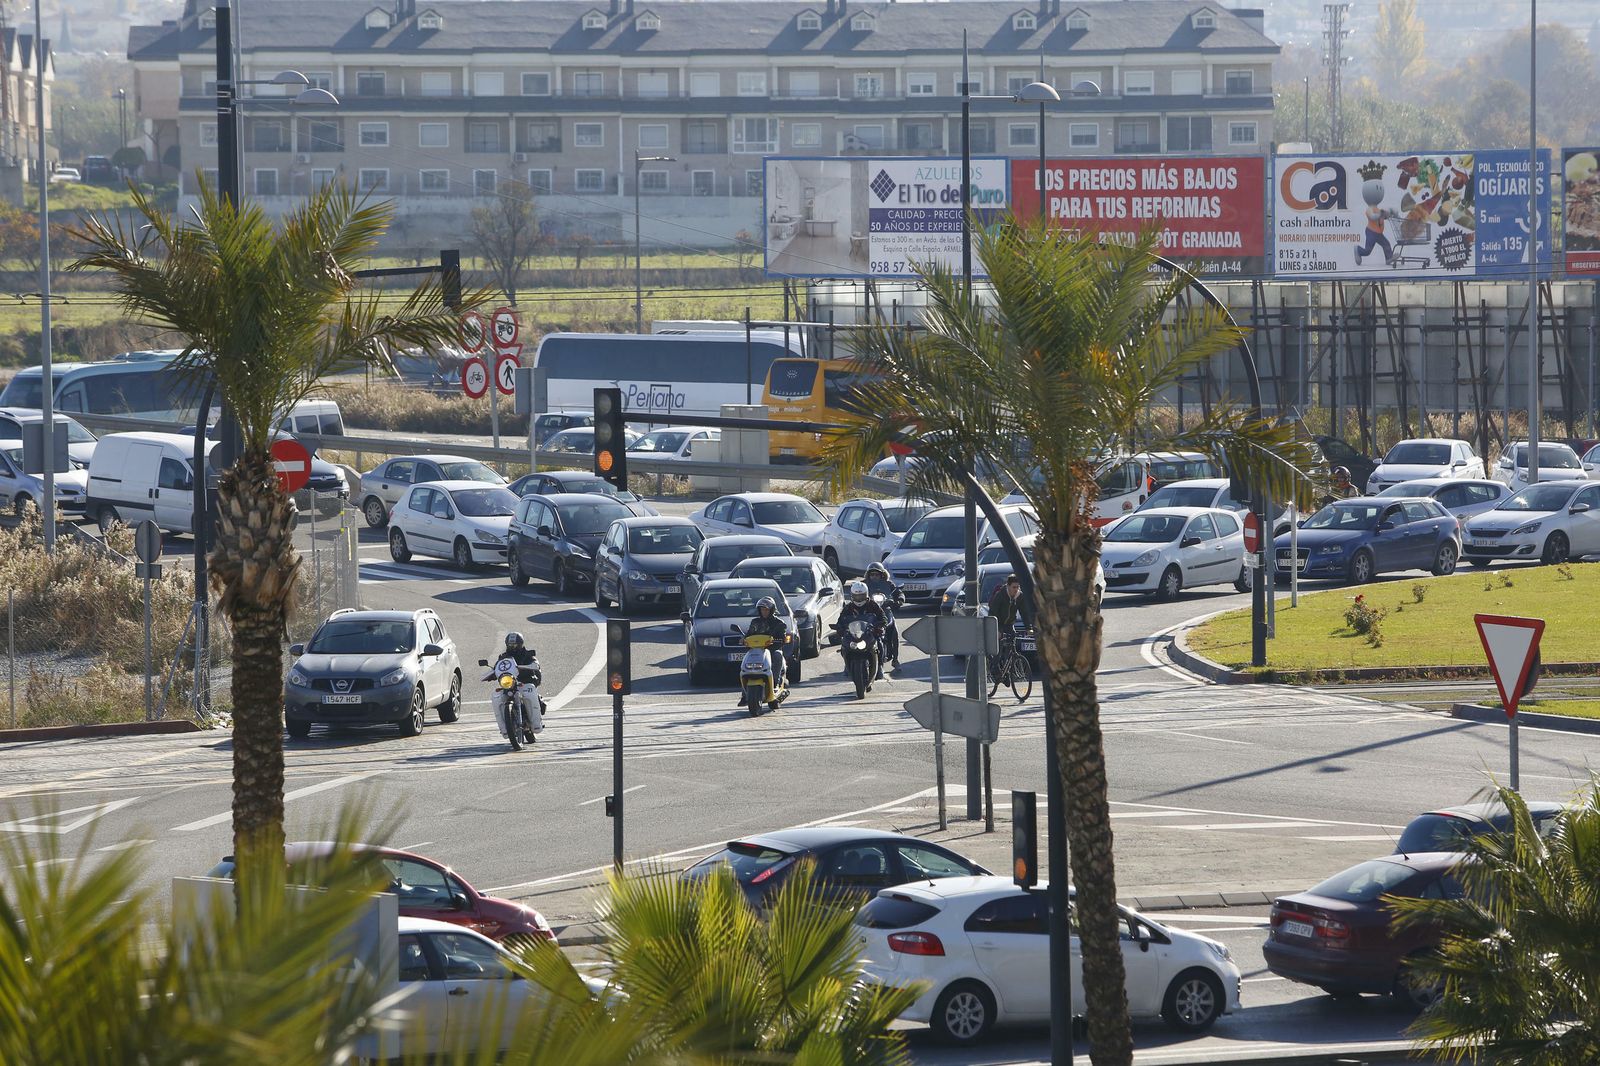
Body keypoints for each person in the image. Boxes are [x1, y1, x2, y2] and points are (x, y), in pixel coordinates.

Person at [834, 580, 890, 678]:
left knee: (880, 643)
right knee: (844, 645)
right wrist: (839, 628)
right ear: (852, 596)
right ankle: (847, 665)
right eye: (856, 596)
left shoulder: (873, 605)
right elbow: (840, 620)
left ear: (866, 595)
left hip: (869, 633)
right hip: (853, 634)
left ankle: (880, 665)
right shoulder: (848, 608)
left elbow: (883, 617)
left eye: (861, 596)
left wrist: (881, 625)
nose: (859, 599)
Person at [863, 561, 905, 668]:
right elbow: (855, 593)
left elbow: (898, 592)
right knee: (856, 630)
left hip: (885, 610)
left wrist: (899, 599)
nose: (874, 577)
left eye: (876, 574)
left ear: (882, 575)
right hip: (868, 612)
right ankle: (850, 661)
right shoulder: (864, 585)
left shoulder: (888, 584)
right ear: (868, 575)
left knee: (894, 630)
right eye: (872, 574)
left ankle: (895, 659)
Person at [745, 596, 789, 695]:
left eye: (766, 610)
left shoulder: (779, 623)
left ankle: (775, 683)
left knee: (778, 655)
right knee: (746, 659)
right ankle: (745, 692)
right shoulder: (755, 622)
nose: (764, 612)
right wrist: (744, 640)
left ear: (771, 610)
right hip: (757, 650)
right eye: (762, 610)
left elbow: (783, 637)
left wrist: (779, 640)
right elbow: (749, 634)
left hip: (772, 650)